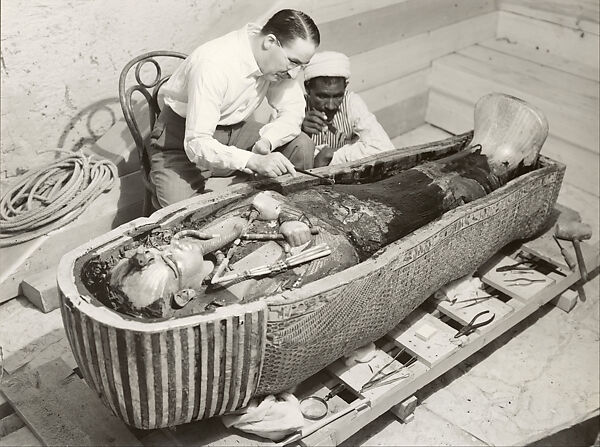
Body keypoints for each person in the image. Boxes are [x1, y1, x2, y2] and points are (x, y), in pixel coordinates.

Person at [148, 9, 320, 208]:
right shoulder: (214, 64)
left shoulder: (276, 62)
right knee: (183, 215)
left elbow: (293, 110)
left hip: (235, 133)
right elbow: (197, 143)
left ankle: (288, 212)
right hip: (182, 142)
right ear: (270, 42)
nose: (294, 73)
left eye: (303, 65)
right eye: (293, 62)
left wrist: (267, 140)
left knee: (301, 145)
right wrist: (252, 160)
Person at [301, 51, 395, 167]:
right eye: (322, 96)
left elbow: (384, 148)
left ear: (345, 87)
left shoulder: (351, 102)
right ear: (307, 88)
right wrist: (301, 134)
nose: (330, 106)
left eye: (337, 96)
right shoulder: (294, 107)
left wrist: (331, 155)